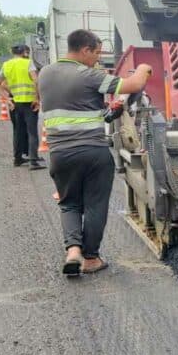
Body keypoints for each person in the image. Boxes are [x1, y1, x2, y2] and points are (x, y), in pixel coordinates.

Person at [37, 29, 151, 277]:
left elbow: (73, 106)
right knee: (95, 206)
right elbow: (135, 84)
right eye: (96, 53)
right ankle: (90, 258)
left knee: (69, 204)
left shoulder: (45, 74)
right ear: (85, 50)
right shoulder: (89, 75)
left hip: (60, 154)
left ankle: (73, 251)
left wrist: (108, 111)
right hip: (93, 152)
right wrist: (143, 66)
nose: (98, 59)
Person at [0, 44, 44, 169]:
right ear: (24, 53)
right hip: (29, 102)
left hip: (15, 103)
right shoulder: (28, 63)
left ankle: (17, 159)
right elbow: (36, 80)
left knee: (18, 131)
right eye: (27, 52)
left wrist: (7, 98)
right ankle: (33, 161)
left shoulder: (7, 65)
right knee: (32, 132)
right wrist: (36, 98)